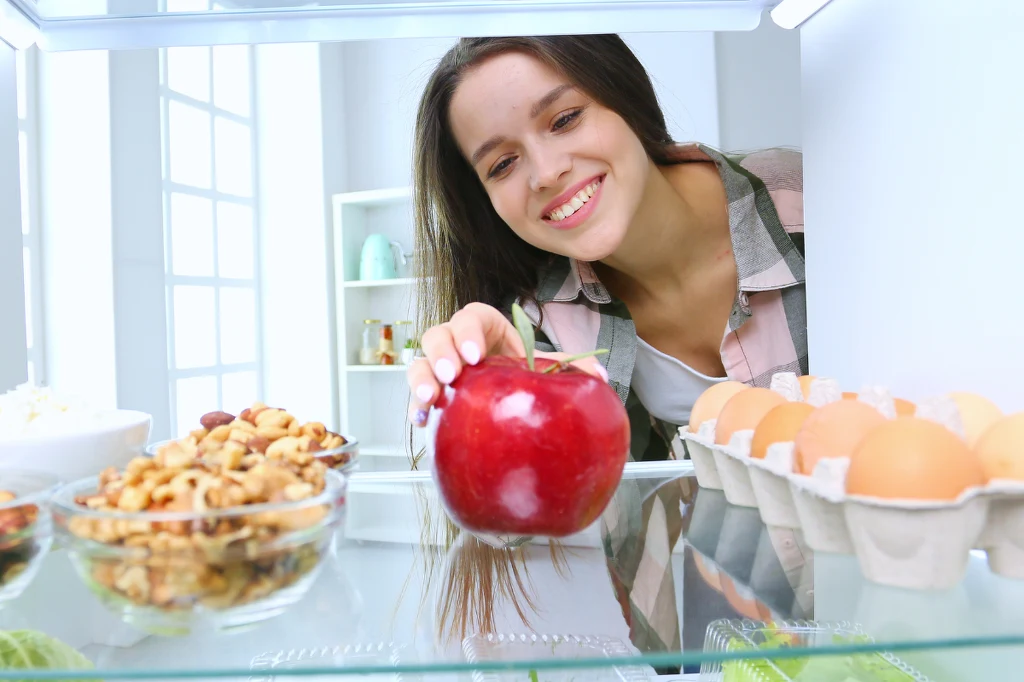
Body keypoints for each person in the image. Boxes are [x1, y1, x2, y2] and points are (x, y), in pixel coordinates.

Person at [405, 34, 807, 667]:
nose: (545, 172)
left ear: (626, 99)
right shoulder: (538, 318)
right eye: (501, 165)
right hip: (707, 621)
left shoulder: (809, 204)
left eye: (564, 119)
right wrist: (474, 398)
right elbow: (514, 527)